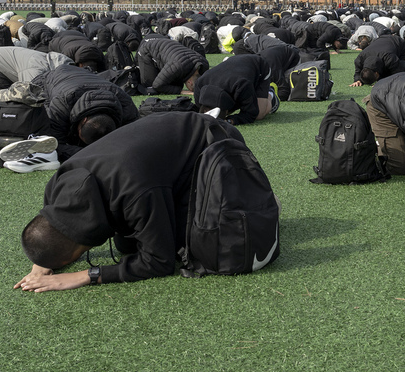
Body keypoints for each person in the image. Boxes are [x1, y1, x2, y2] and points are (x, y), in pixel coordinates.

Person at [15, 112, 258, 291]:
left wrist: (86, 275)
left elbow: (159, 262)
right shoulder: (57, 185)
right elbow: (49, 232)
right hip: (164, 145)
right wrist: (42, 261)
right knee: (128, 245)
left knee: (191, 247)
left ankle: (248, 200)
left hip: (215, 143)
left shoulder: (135, 193)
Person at [192, 54, 278, 125]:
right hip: (234, 67)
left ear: (227, 111)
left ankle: (271, 94)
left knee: (259, 114)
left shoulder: (241, 85)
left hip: (259, 66)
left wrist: (231, 120)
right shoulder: (199, 85)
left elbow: (251, 114)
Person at [135, 36, 207, 95]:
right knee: (151, 89)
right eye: (189, 89)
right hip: (147, 49)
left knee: (175, 84)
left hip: (168, 46)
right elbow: (157, 85)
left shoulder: (204, 64)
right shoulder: (177, 66)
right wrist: (181, 91)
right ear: (190, 83)